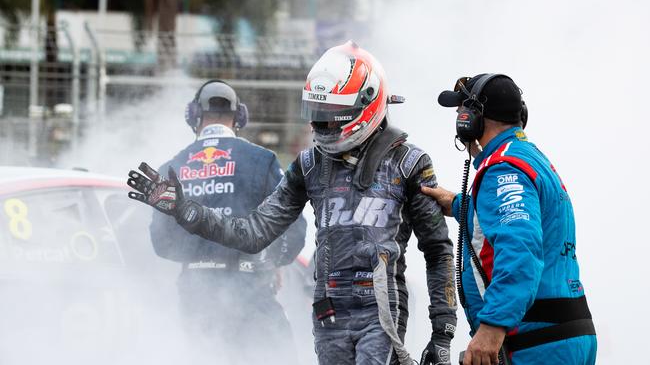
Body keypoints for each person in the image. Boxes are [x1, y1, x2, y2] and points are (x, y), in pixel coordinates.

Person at [127, 42, 457, 365]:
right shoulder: (309, 163)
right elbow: (252, 234)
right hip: (327, 313)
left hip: (381, 312)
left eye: (331, 115)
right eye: (316, 114)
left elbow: (438, 248)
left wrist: (443, 332)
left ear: (366, 104)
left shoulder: (410, 162)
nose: (321, 125)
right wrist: (185, 210)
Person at [424, 74, 597, 365]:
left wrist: (492, 327)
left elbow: (520, 248)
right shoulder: (526, 157)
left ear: (473, 119)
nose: (458, 120)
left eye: (461, 113)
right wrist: (457, 204)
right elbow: (511, 221)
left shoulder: (505, 169)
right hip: (556, 335)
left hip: (536, 344)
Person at [145, 80, 307, 364]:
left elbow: (161, 243)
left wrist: (200, 254)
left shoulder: (170, 168)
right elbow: (294, 230)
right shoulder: (262, 160)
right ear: (239, 117)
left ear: (193, 116)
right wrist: (272, 260)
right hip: (252, 292)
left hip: (196, 299)